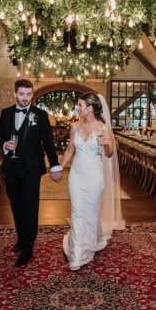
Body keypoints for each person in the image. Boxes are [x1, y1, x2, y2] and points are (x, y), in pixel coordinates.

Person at [0, 79, 62, 267]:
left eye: (29, 94)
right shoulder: (6, 114)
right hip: (11, 168)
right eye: (22, 94)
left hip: (32, 169)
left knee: (30, 207)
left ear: (32, 94)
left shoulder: (40, 115)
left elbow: (48, 142)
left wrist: (55, 166)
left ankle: (28, 248)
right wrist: (5, 146)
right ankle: (22, 238)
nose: (25, 98)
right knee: (16, 205)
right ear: (15, 93)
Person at [60, 92, 125, 271]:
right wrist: (60, 167)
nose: (77, 108)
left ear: (89, 108)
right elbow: (69, 150)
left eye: (80, 105)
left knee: (90, 210)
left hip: (95, 176)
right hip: (77, 175)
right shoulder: (74, 126)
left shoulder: (104, 128)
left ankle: (93, 236)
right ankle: (78, 254)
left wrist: (106, 145)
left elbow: (110, 154)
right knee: (78, 211)